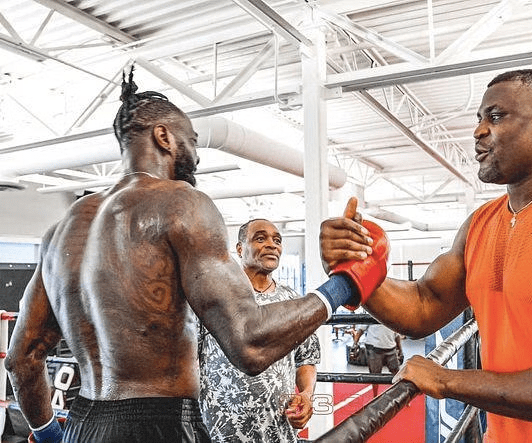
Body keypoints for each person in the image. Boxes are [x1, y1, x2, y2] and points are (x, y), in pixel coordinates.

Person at [4, 66, 388, 443]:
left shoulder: (62, 231)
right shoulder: (181, 204)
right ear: (163, 137)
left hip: (82, 424)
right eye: (192, 140)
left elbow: (21, 359)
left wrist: (50, 432)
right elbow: (250, 343)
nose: (197, 156)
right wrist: (346, 283)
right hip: (159, 426)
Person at [319, 69, 532, 442]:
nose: (478, 131)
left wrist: (449, 380)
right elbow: (424, 305)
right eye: (480, 118)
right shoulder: (480, 224)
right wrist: (357, 271)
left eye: (496, 116)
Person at [198, 218, 320, 442]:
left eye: (277, 240)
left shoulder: (292, 300)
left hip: (279, 431)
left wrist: (306, 394)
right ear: (239, 248)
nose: (272, 245)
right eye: (261, 238)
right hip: (219, 433)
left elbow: (306, 357)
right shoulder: (214, 299)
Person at [352, 323, 402, 397]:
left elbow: (397, 334)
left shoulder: (392, 315)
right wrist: (355, 345)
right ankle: (375, 396)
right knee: (375, 375)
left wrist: (400, 348)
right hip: (374, 349)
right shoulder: (372, 313)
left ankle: (401, 394)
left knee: (397, 373)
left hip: (391, 348)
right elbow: (360, 330)